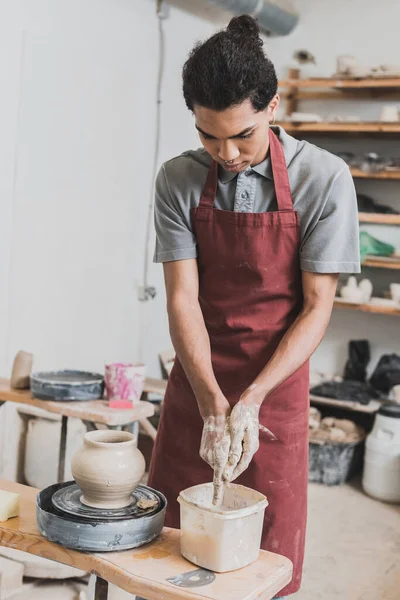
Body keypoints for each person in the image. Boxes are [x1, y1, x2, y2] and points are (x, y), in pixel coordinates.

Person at [147, 14, 360, 597]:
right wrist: (213, 401)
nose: (227, 153)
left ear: (272, 109)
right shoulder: (179, 180)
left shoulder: (324, 179)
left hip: (277, 388)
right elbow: (183, 299)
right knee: (169, 549)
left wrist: (252, 401)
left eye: (241, 135)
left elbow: (318, 306)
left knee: (265, 558)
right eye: (208, 136)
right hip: (198, 381)